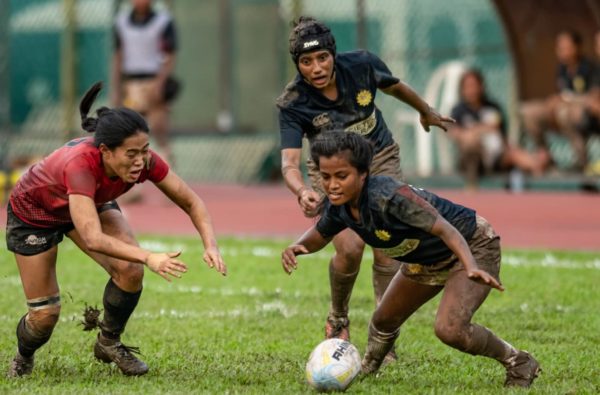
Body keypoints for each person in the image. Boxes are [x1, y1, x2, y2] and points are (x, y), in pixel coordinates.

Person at [281, 132, 541, 388]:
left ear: (363, 174)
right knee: (382, 321)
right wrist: (298, 247)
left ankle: (519, 361)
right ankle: (366, 369)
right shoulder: (340, 205)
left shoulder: (389, 198)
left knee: (450, 329)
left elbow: (446, 229)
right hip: (426, 260)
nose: (332, 185)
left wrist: (471, 265)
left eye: (341, 176)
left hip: (471, 245)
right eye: (326, 177)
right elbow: (320, 234)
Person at [5, 82, 226, 378]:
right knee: (44, 317)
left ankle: (108, 341)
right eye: (131, 153)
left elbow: (191, 201)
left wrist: (210, 244)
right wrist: (149, 256)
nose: (140, 161)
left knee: (130, 270)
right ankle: (24, 355)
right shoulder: (80, 165)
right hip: (35, 213)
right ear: (106, 151)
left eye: (145, 150)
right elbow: (94, 239)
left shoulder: (144, 160)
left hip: (90, 200)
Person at [276, 16, 453, 349]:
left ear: (333, 54)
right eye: (306, 61)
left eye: (322, 58)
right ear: (298, 65)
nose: (316, 67)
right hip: (330, 172)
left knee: (387, 248)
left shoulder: (362, 65)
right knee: (351, 247)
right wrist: (302, 191)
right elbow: (289, 163)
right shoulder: (292, 102)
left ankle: (383, 335)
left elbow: (395, 86)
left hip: (378, 159)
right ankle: (338, 317)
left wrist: (425, 110)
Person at [449, 69, 546, 189]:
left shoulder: (493, 107)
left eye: (475, 85)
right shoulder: (459, 111)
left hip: (496, 155)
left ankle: (538, 165)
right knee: (470, 142)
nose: (472, 90)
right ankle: (471, 183)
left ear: (481, 86)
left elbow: (502, 136)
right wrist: (480, 130)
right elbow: (455, 133)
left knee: (514, 154)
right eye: (468, 86)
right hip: (475, 158)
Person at [111, 0, 178, 163]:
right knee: (129, 129)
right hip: (131, 84)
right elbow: (118, 56)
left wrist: (161, 82)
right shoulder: (121, 22)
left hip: (153, 81)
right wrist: (116, 88)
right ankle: (130, 173)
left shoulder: (163, 21)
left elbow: (170, 55)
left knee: (158, 127)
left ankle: (166, 163)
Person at [520, 29, 596, 172]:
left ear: (577, 47)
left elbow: (592, 98)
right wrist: (555, 102)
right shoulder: (562, 68)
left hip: (581, 114)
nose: (562, 51)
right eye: (559, 47)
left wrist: (565, 100)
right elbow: (561, 93)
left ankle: (582, 162)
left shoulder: (590, 67)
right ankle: (545, 160)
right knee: (528, 112)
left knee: (564, 112)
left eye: (566, 46)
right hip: (561, 111)